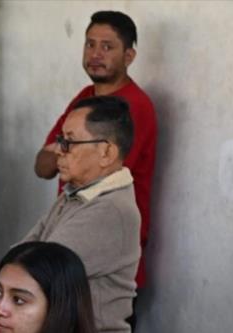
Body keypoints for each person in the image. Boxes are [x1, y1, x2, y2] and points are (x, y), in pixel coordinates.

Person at [21, 95, 141, 333]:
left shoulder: (111, 210)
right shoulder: (74, 198)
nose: (59, 151)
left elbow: (34, 271)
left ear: (106, 151)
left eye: (69, 142)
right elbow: (18, 258)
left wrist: (22, 269)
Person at [34, 10, 156, 290]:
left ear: (129, 56)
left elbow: (91, 177)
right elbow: (41, 166)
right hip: (68, 244)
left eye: (107, 46)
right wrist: (66, 154)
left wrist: (58, 151)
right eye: (90, 44)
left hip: (104, 259)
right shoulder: (85, 98)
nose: (96, 54)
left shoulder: (134, 106)